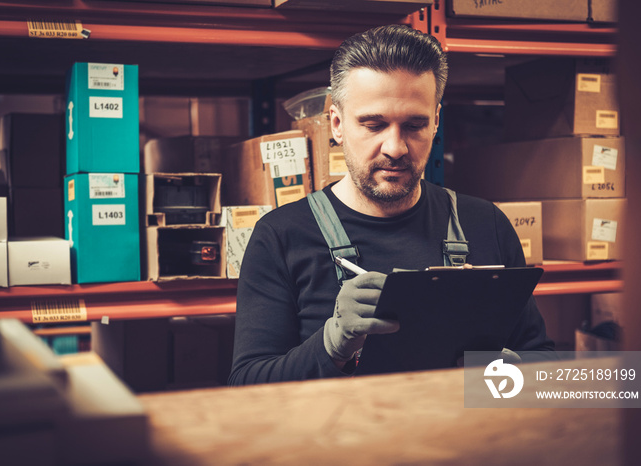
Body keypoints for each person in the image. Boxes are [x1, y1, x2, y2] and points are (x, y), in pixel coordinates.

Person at [228, 24, 554, 386]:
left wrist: (496, 372)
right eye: (374, 124)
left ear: (435, 123)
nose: (395, 148)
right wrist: (331, 345)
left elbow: (542, 367)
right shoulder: (281, 236)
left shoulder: (485, 223)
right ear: (336, 124)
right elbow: (247, 385)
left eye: (414, 125)